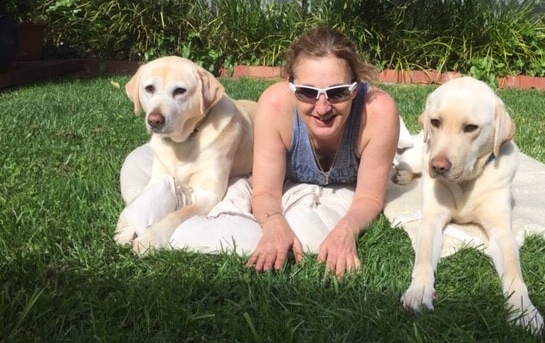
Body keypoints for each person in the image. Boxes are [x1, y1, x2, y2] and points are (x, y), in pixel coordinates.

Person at [118, 26, 399, 277]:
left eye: (337, 92)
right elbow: (265, 193)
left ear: (356, 87)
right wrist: (274, 222)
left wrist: (346, 228)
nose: (322, 107)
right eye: (306, 92)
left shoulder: (377, 112)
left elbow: (370, 196)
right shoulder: (276, 106)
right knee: (137, 164)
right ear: (290, 86)